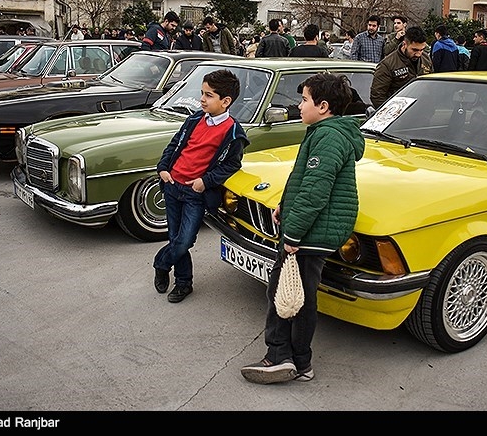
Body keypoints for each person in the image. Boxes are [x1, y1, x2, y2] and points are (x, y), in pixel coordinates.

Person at [240, 72, 364, 384]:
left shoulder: (328, 136)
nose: (299, 105)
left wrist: (294, 234)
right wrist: (285, 203)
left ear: (323, 106)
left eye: (304, 100)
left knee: (287, 293)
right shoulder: (324, 131)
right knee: (297, 294)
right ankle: (297, 361)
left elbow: (316, 191)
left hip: (313, 232)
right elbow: (304, 182)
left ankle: (281, 357)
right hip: (315, 228)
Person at [152, 69, 250, 303]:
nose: (202, 99)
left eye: (208, 95)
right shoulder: (195, 119)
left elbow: (232, 164)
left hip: (195, 192)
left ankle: (161, 264)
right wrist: (163, 168)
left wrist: (204, 182)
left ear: (225, 101)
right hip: (172, 185)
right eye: (202, 93)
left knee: (185, 240)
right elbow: (175, 144)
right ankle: (184, 283)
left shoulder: (233, 132)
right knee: (176, 236)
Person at [370, 25, 428, 108]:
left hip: (423, 111)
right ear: (404, 45)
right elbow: (377, 96)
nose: (419, 54)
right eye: (414, 50)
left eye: (421, 50)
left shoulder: (426, 59)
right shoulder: (387, 65)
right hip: (398, 113)